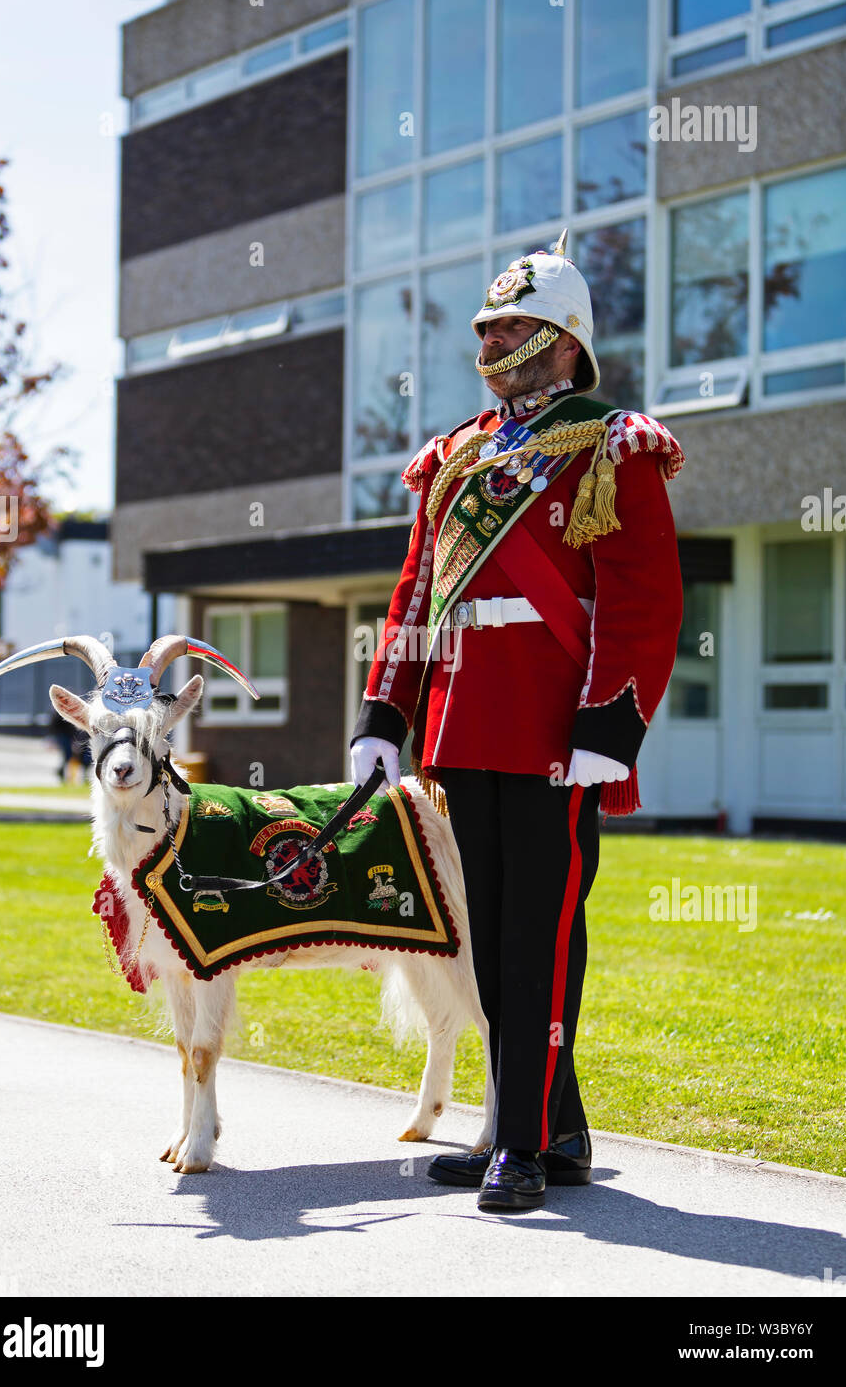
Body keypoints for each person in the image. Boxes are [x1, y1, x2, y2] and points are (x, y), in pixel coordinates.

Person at [350, 231, 686, 1211]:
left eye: (518, 326)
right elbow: (416, 594)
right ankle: (553, 1127)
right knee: (489, 937)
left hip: (554, 729)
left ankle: (523, 1146)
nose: (497, 340)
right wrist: (385, 709)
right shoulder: (455, 455)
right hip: (463, 721)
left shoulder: (612, 440)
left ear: (567, 341)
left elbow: (642, 602)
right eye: (490, 325)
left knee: (538, 932)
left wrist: (608, 726)